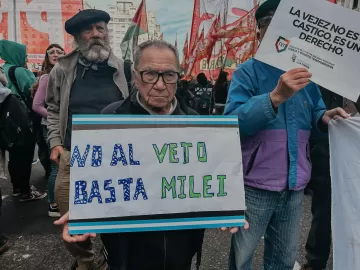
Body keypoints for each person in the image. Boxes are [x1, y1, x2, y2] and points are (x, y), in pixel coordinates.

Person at [55, 40, 247, 270]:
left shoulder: (196, 123)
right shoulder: (110, 119)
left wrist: (225, 207)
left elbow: (207, 176)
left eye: (168, 75)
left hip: (181, 248)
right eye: (149, 74)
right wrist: (82, 212)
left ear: (178, 77)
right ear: (136, 76)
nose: (159, 84)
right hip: (127, 251)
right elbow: (95, 179)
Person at [224, 0, 349, 269]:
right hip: (254, 186)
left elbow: (315, 111)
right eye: (269, 24)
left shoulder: (307, 76)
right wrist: (275, 97)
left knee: (282, 259)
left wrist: (325, 118)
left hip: (294, 187)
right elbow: (233, 123)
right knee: (242, 257)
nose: (277, 31)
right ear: (259, 31)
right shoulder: (247, 72)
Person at [46, 9, 130, 270]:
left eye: (100, 28)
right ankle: (89, 262)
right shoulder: (61, 70)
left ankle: (115, 257)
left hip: (118, 160)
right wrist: (55, 143)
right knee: (71, 220)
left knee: (118, 218)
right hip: (74, 157)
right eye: (88, 29)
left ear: (107, 33)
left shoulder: (126, 69)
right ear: (77, 37)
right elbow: (52, 108)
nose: (96, 34)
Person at [301, 87, 348, 270]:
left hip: (353, 154)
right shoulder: (321, 82)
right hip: (325, 154)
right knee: (323, 211)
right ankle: (315, 261)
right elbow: (314, 116)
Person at [0, 39, 46, 201]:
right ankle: (26, 191)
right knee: (25, 155)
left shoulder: (3, 69)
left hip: (6, 121)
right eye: (24, 55)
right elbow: (35, 93)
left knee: (14, 154)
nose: (26, 59)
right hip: (22, 117)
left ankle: (17, 188)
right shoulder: (20, 71)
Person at [32, 44, 66, 217]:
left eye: (59, 51)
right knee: (57, 168)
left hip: (59, 126)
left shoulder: (63, 74)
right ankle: (53, 204)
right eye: (51, 52)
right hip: (51, 127)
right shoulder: (47, 77)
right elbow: (37, 106)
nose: (55, 54)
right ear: (46, 57)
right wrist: (58, 118)